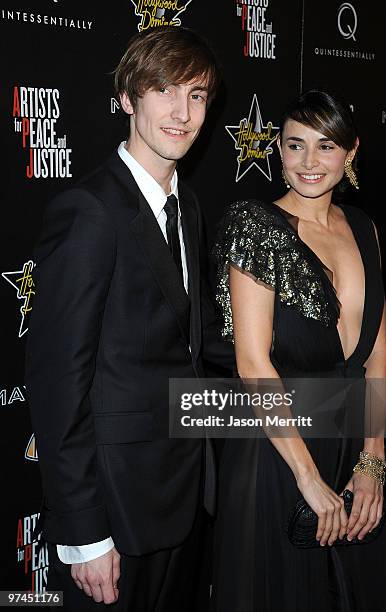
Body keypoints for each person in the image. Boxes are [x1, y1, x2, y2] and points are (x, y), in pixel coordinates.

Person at [25, 26, 233, 612]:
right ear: (127, 99)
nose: (181, 111)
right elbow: (58, 381)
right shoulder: (91, 210)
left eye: (197, 95)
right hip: (116, 511)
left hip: (189, 492)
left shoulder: (187, 205)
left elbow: (191, 349)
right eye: (164, 89)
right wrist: (84, 531)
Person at [211, 90, 386, 611]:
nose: (309, 163)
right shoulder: (257, 227)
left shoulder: (363, 228)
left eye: (326, 146)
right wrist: (308, 478)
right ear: (277, 148)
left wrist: (373, 459)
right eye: (295, 146)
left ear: (351, 151)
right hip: (278, 455)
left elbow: (377, 356)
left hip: (350, 447)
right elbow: (252, 364)